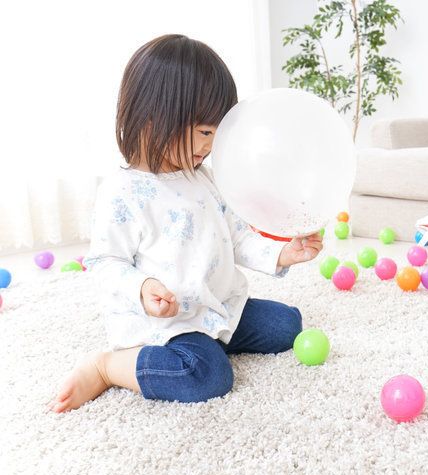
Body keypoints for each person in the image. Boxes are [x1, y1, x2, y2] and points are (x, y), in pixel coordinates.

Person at [47, 34, 322, 413]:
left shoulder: (203, 177)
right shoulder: (123, 192)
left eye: (217, 134)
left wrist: (282, 253)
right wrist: (142, 288)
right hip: (167, 323)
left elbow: (236, 236)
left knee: (287, 325)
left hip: (214, 305)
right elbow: (105, 262)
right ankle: (108, 366)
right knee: (206, 377)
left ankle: (212, 338)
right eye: (205, 132)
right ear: (154, 117)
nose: (211, 146)